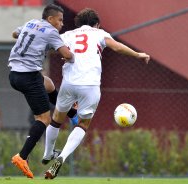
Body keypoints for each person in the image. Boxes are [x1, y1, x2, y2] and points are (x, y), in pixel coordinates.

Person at [43, 8, 150, 179]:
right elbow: (117, 47)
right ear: (97, 24)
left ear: (78, 23)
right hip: (90, 85)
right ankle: (61, 157)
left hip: (69, 82)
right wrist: (137, 54)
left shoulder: (68, 35)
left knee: (56, 119)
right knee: (83, 124)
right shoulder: (99, 33)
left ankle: (48, 154)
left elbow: (50, 47)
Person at [8, 4, 75, 179]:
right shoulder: (51, 32)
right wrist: (73, 56)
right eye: (60, 20)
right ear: (50, 19)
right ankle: (21, 157)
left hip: (14, 74)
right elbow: (67, 55)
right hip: (28, 77)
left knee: (49, 84)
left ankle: (72, 113)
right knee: (44, 119)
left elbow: (15, 34)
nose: (61, 24)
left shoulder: (31, 23)